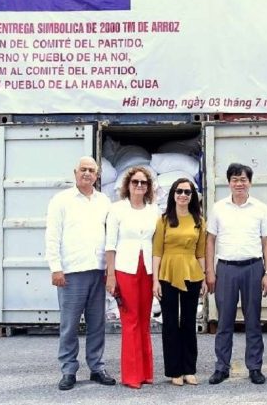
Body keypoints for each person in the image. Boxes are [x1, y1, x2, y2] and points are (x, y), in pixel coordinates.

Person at [45, 156, 116, 391]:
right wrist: (56, 268)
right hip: (71, 273)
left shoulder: (104, 201)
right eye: (83, 169)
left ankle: (97, 367)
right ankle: (68, 370)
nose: (87, 173)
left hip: (97, 271)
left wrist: (110, 269)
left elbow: (110, 235)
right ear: (75, 172)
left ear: (97, 176)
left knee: (97, 324)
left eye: (92, 170)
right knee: (69, 325)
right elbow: (52, 236)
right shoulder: (61, 201)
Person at [205, 163, 267, 385]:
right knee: (224, 320)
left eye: (243, 179)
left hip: (253, 268)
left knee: (253, 320)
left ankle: (254, 367)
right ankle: (221, 367)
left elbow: (266, 242)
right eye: (235, 179)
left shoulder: (261, 208)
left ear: (250, 183)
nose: (239, 183)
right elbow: (210, 240)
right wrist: (210, 271)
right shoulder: (219, 208)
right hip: (226, 269)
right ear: (229, 183)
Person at [105, 166, 160, 389]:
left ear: (148, 187)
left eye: (143, 183)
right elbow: (109, 245)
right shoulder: (117, 210)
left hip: (147, 270)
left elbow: (157, 243)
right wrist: (110, 275)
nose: (139, 186)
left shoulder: (154, 210)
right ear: (128, 185)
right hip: (124, 269)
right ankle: (131, 375)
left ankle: (146, 372)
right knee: (130, 321)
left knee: (145, 320)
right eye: (135, 182)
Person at [152, 178, 206, 386]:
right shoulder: (164, 220)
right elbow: (157, 252)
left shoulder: (199, 221)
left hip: (192, 273)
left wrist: (204, 277)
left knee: (189, 322)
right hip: (167, 274)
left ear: (192, 196)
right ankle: (174, 370)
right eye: (179, 191)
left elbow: (201, 252)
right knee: (171, 323)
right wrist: (155, 280)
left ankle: (189, 369)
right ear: (173, 194)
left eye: (187, 192)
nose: (183, 195)